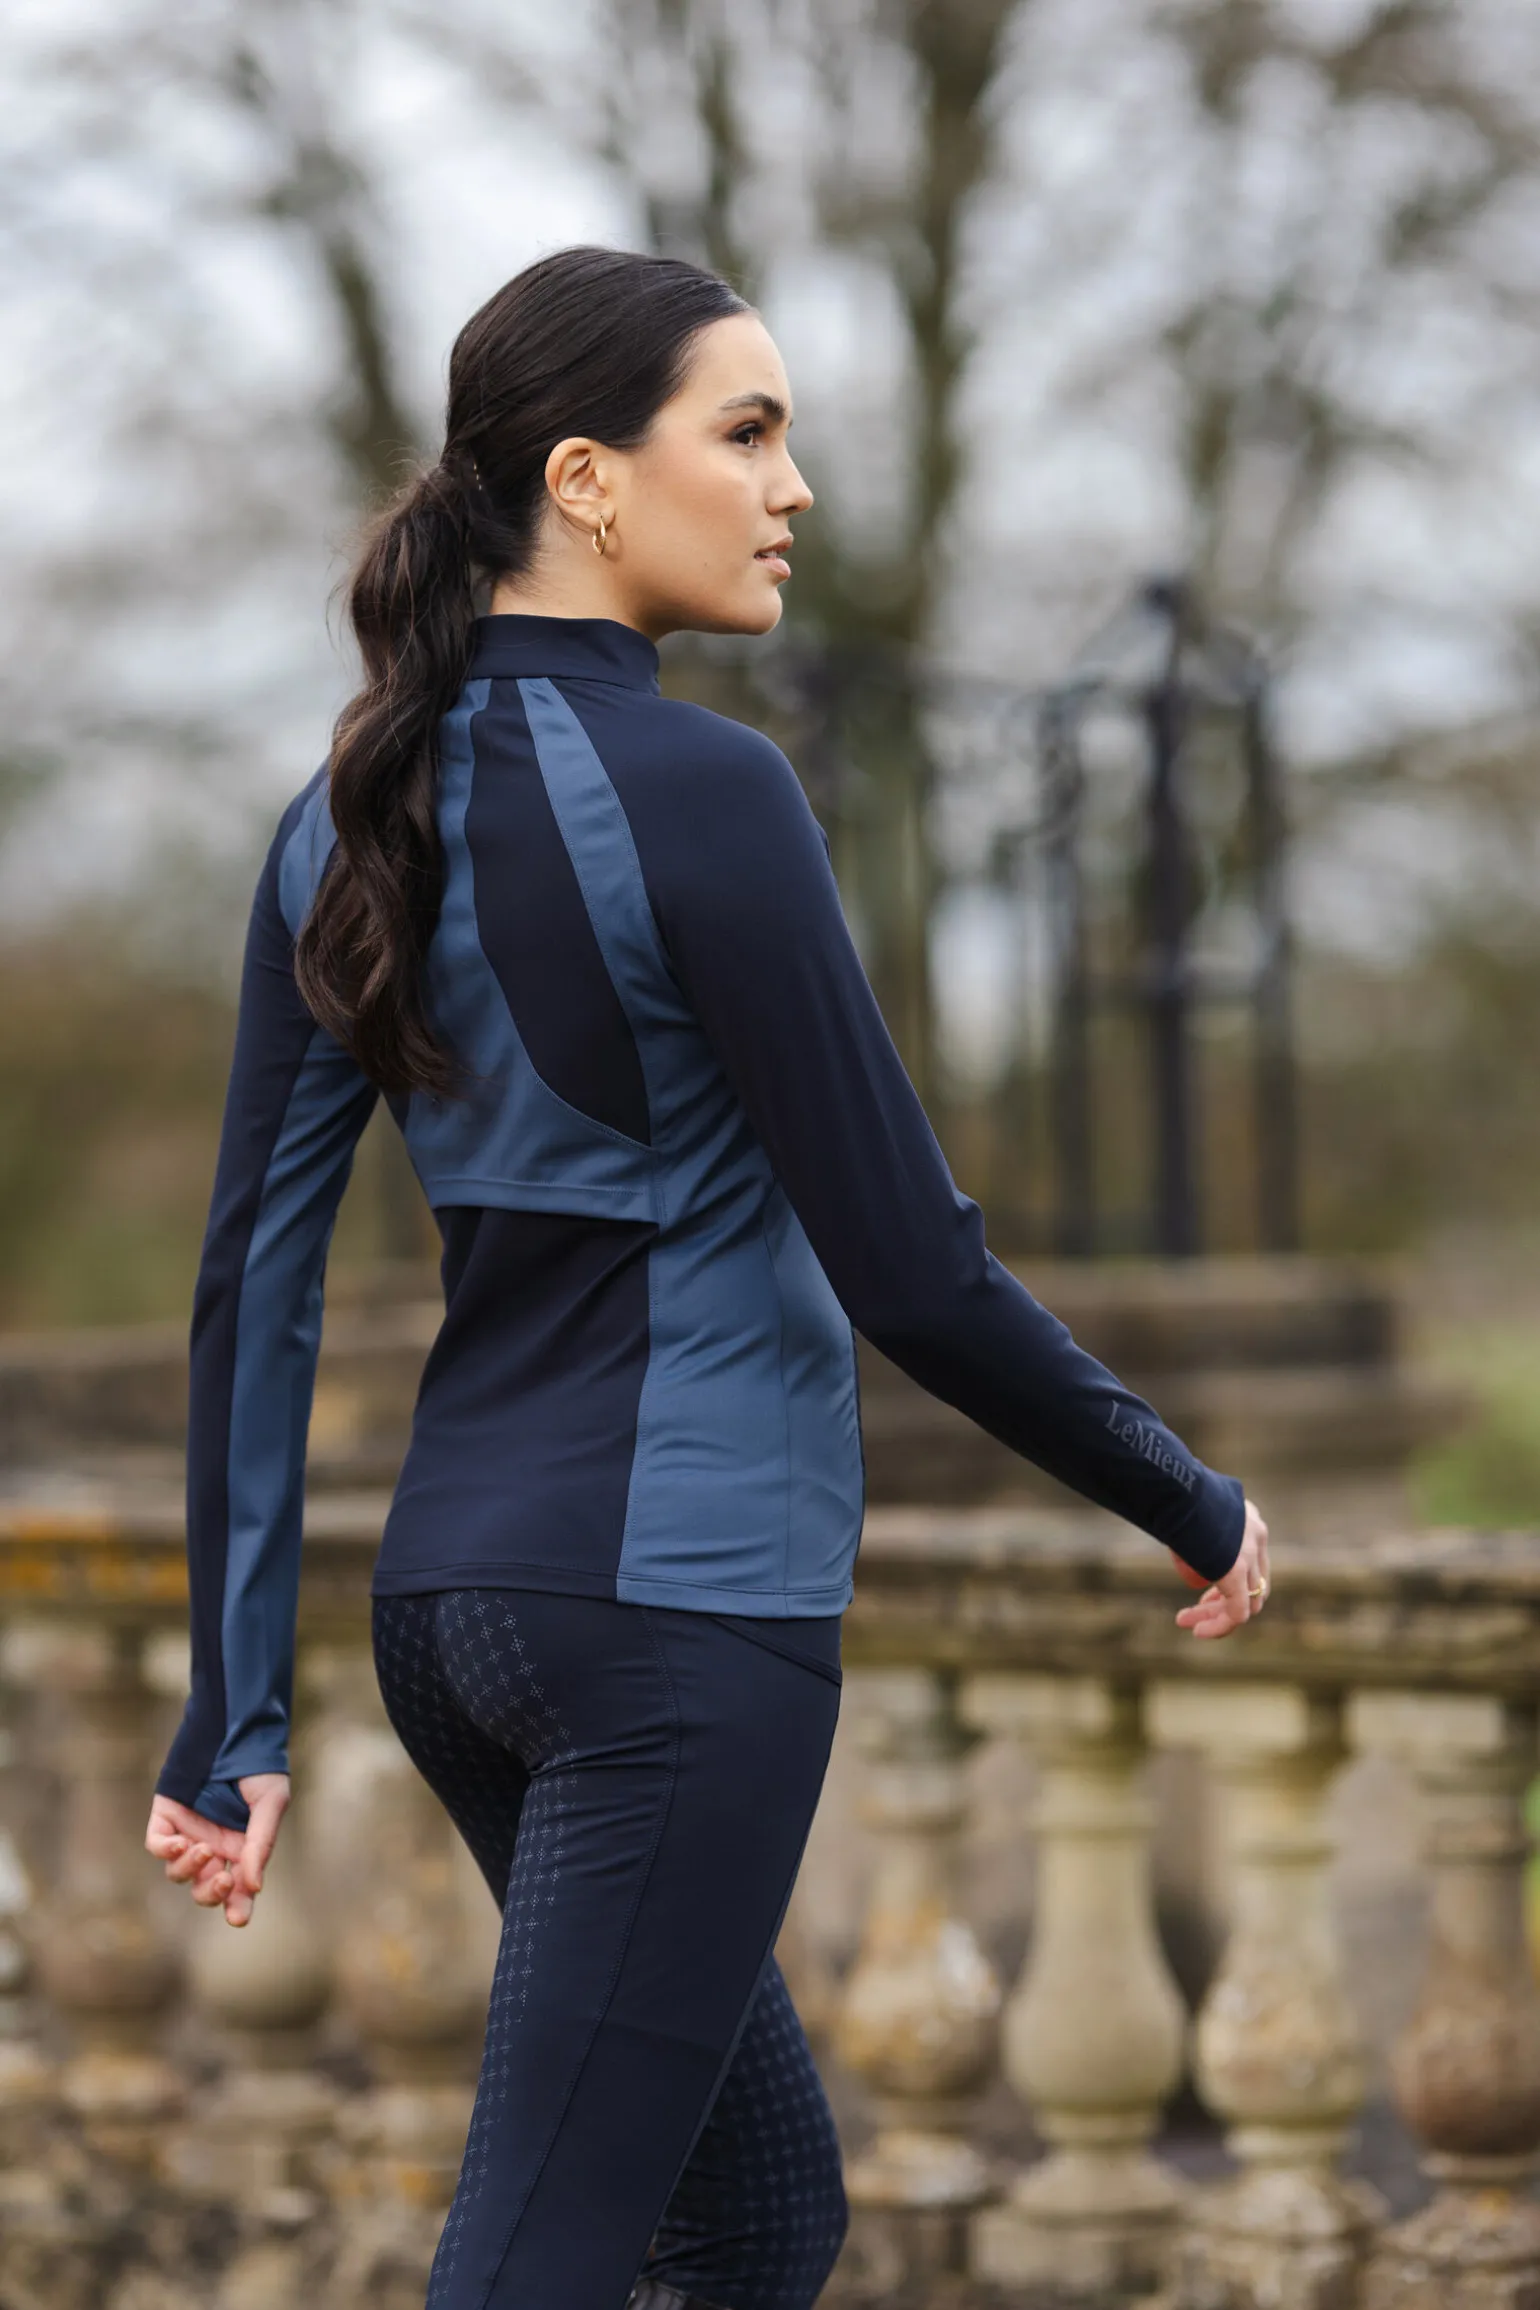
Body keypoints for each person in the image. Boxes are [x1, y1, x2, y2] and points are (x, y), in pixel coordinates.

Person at [143, 245, 1270, 2310]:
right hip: (673, 1618)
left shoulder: (340, 815)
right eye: (744, 432)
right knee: (542, 2262)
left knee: (752, 2224)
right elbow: (910, 1267)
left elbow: (253, 1288)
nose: (791, 486)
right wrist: (1184, 1494)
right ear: (585, 478)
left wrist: (235, 1711)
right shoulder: (714, 794)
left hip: (454, 1621)